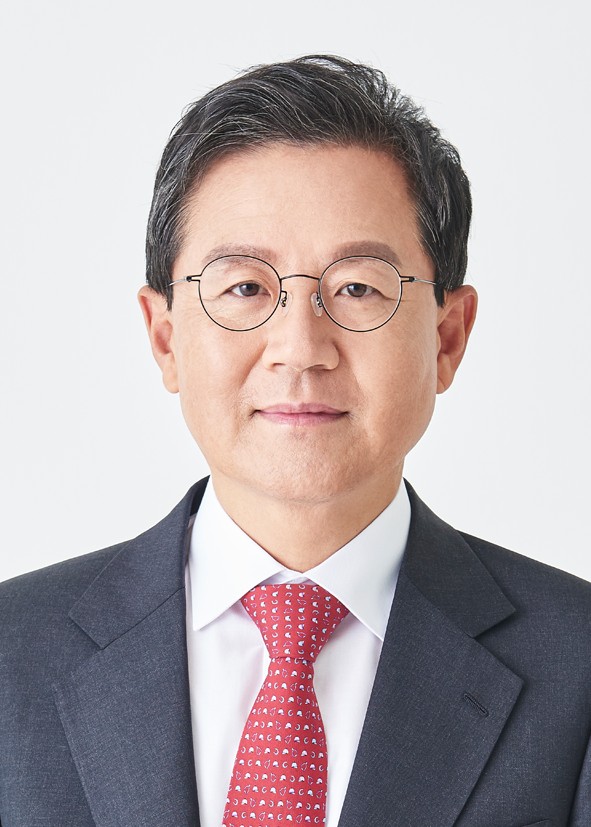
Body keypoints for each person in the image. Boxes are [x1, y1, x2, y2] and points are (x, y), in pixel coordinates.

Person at [0, 55, 589, 827]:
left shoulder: (576, 666)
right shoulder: (12, 653)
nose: (300, 349)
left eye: (357, 288)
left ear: (447, 337)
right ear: (165, 336)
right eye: (245, 287)